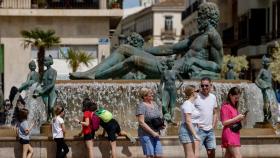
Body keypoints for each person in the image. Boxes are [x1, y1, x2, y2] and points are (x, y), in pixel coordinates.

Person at [70, 2, 223, 80]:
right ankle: (90, 73)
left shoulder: (213, 36)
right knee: (124, 48)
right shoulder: (196, 37)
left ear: (208, 18)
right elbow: (170, 49)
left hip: (172, 71)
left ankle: (96, 77)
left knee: (134, 59)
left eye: (200, 16)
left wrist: (196, 62)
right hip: (167, 65)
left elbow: (217, 66)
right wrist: (143, 49)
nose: (197, 19)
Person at [136, 87, 164, 158]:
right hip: (145, 133)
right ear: (145, 96)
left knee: (158, 155)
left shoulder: (154, 103)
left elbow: (157, 116)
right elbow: (141, 122)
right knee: (150, 155)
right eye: (150, 93)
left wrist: (161, 125)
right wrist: (152, 133)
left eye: (152, 93)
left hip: (156, 132)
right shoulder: (141, 106)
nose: (152, 94)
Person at [195, 77, 218, 158]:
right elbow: (189, 113)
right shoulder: (196, 97)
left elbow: (215, 113)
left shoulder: (213, 97)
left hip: (210, 130)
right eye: (202, 85)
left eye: (206, 85)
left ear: (210, 85)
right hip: (198, 130)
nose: (204, 87)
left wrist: (213, 125)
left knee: (211, 153)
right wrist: (195, 124)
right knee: (195, 154)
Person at [220, 87, 245, 158]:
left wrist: (240, 118)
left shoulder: (234, 107)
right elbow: (224, 122)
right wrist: (237, 118)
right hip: (229, 133)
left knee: (229, 155)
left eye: (238, 98)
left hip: (235, 133)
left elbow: (234, 120)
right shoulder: (225, 106)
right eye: (235, 98)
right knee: (238, 156)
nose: (237, 100)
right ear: (230, 95)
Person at [33, 55, 57, 122]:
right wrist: (37, 89)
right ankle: (48, 120)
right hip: (45, 92)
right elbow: (41, 83)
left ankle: (55, 119)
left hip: (51, 92)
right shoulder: (43, 72)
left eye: (45, 61)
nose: (44, 62)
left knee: (51, 107)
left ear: (50, 62)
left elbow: (52, 84)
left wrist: (43, 91)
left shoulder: (54, 71)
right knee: (46, 107)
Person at [179, 85, 200, 158]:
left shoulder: (192, 104)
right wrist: (195, 134)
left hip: (193, 129)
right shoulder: (187, 104)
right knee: (190, 156)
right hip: (187, 131)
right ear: (193, 93)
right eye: (197, 91)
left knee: (194, 155)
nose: (198, 93)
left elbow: (193, 119)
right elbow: (188, 121)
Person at [255, 55, 278, 122]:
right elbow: (256, 80)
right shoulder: (262, 70)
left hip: (271, 89)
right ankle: (265, 117)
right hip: (265, 90)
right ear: (264, 63)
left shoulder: (270, 71)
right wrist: (262, 87)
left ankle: (270, 116)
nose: (268, 64)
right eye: (267, 63)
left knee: (273, 103)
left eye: (269, 63)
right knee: (266, 103)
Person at [159, 59, 183, 123]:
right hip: (166, 90)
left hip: (173, 90)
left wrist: (177, 88)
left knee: (172, 106)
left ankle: (170, 119)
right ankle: (167, 116)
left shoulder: (175, 72)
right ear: (167, 64)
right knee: (163, 105)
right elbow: (161, 83)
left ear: (173, 64)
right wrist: (160, 92)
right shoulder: (164, 72)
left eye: (171, 62)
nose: (170, 63)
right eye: (169, 62)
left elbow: (181, 81)